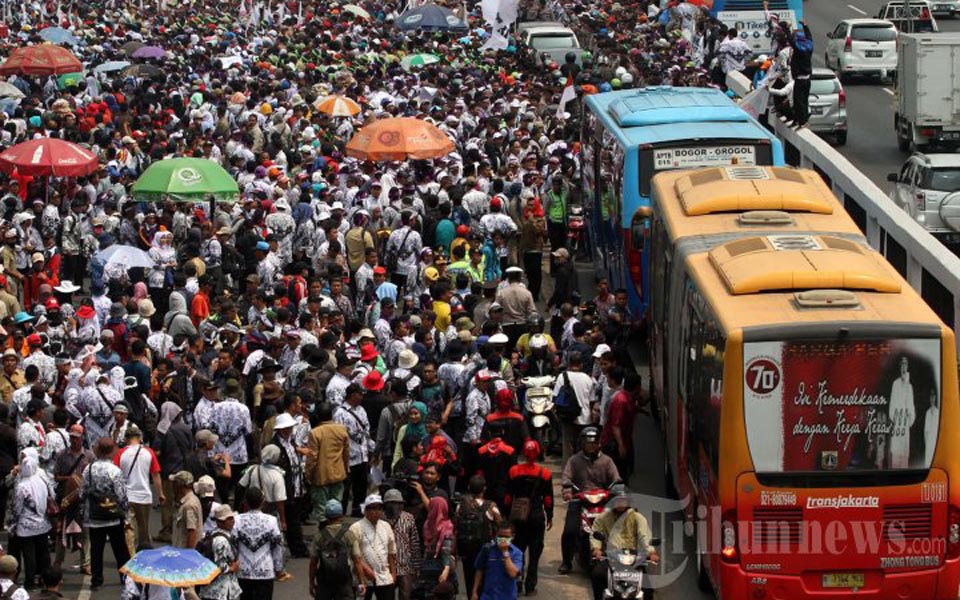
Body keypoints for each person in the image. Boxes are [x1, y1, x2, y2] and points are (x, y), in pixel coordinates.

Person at [559, 427, 620, 575]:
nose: (591, 446)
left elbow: (616, 478)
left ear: (599, 443)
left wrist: (616, 488)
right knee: (569, 531)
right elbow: (566, 478)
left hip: (602, 500)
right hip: (580, 499)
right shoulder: (574, 460)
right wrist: (568, 492)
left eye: (594, 443)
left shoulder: (607, 461)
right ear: (582, 444)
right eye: (587, 443)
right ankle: (566, 562)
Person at [589, 486, 658, 600]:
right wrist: (596, 549)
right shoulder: (602, 518)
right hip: (611, 557)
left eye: (623, 500)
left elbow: (644, 536)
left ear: (629, 501)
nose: (620, 503)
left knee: (648, 588)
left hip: (634, 558)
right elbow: (595, 534)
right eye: (617, 500)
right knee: (597, 575)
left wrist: (651, 552)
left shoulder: (638, 518)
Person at [79, 437, 130, 590]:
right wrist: (126, 514)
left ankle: (96, 580)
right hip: (113, 515)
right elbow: (121, 496)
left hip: (94, 516)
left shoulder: (88, 469)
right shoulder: (115, 470)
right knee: (120, 548)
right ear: (112, 450)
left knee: (96, 549)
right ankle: (125, 578)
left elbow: (82, 493)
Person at [505, 440, 554, 596]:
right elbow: (548, 499)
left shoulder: (513, 471)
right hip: (536, 518)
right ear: (538, 452)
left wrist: (507, 517)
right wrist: (550, 516)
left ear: (524, 453)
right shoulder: (545, 474)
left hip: (519, 518)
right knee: (534, 553)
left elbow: (507, 497)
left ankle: (517, 582)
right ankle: (530, 586)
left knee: (517, 550)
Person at [114, 424, 164, 553]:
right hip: (144, 496)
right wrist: (160, 494)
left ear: (126, 438)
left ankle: (130, 555)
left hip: (127, 496)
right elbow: (156, 475)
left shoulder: (121, 453)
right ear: (139, 437)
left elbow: (115, 475)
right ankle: (145, 554)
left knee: (128, 528)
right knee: (144, 529)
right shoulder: (149, 452)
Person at [9, 448, 53, 590]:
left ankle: (30, 582)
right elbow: (50, 496)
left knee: (29, 556)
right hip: (42, 523)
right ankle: (46, 579)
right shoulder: (41, 480)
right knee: (44, 553)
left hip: (26, 527)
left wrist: (13, 524)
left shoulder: (22, 486)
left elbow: (17, 508)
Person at [234, 487, 286, 599]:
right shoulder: (271, 520)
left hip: (243, 570)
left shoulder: (237, 519)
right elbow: (277, 546)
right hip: (265, 570)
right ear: (263, 502)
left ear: (246, 502)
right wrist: (279, 568)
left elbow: (233, 546)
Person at [456, 475, 501, 598]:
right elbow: (500, 524)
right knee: (485, 579)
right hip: (484, 549)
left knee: (469, 579)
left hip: (466, 549)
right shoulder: (491, 506)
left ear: (469, 487)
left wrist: (454, 551)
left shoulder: (461, 506)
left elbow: (456, 527)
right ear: (484, 489)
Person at [306, 402, 350, 523]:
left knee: (321, 510)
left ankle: (324, 535)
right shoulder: (342, 430)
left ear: (318, 416)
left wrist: (308, 474)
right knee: (336, 507)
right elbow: (346, 453)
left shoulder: (315, 433)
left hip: (321, 476)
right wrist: (346, 469)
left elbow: (312, 457)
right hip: (338, 473)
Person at [349, 494, 398, 600]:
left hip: (384, 576)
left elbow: (391, 552)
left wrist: (393, 574)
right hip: (363, 577)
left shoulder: (386, 526)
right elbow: (353, 554)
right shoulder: (356, 528)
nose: (377, 511)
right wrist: (366, 569)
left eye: (379, 508)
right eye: (373, 508)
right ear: (365, 510)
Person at [334, 384, 373, 517]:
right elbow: (339, 435)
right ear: (352, 395)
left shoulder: (362, 410)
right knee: (345, 487)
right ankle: (341, 512)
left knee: (361, 486)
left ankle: (358, 510)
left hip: (362, 455)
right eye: (359, 394)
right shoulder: (340, 413)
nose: (362, 397)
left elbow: (366, 429)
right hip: (349, 457)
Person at [554, 352, 596, 463]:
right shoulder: (588, 379)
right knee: (584, 448)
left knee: (568, 447)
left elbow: (556, 397)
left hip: (567, 418)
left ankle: (568, 474)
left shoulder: (562, 377)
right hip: (585, 418)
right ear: (581, 364)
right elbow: (592, 401)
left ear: (569, 363)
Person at [309, 499, 354, 600]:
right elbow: (357, 559)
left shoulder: (319, 536)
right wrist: (361, 582)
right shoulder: (348, 534)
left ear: (326, 516)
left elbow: (313, 562)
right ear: (341, 515)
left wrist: (311, 582)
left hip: (324, 580)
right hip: (343, 579)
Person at [197, 504, 242, 600]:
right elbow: (220, 566)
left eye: (232, 518)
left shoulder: (211, 534)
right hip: (220, 590)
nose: (232, 522)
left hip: (211, 589)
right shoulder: (221, 541)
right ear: (219, 522)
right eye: (228, 519)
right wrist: (232, 568)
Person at [382, 489, 421, 600]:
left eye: (398, 503)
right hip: (386, 567)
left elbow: (414, 542)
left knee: (405, 596)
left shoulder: (408, 518)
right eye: (392, 503)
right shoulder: (380, 519)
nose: (395, 506)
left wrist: (416, 566)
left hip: (405, 566)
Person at [471, 522, 523, 600]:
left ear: (512, 537)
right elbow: (479, 569)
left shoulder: (517, 553)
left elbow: (513, 573)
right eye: (500, 536)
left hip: (507, 596)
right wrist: (474, 591)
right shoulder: (487, 549)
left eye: (506, 537)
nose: (503, 539)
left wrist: (505, 552)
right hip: (488, 596)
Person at [418, 497, 457, 600]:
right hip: (442, 567)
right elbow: (446, 550)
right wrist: (446, 568)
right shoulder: (446, 525)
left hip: (427, 565)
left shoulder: (427, 524)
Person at [889, 356, 916, 468]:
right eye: (902, 364)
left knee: (904, 457)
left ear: (907, 366)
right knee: (896, 455)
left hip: (905, 425)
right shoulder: (895, 384)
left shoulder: (909, 387)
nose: (904, 366)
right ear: (900, 366)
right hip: (897, 423)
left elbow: (911, 405)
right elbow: (892, 403)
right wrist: (895, 419)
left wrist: (909, 421)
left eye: (906, 364)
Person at [170, 470, 202, 550]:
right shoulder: (191, 500)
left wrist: (188, 555)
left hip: (183, 552)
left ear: (179, 485)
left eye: (174, 483)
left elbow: (192, 532)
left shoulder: (189, 505)